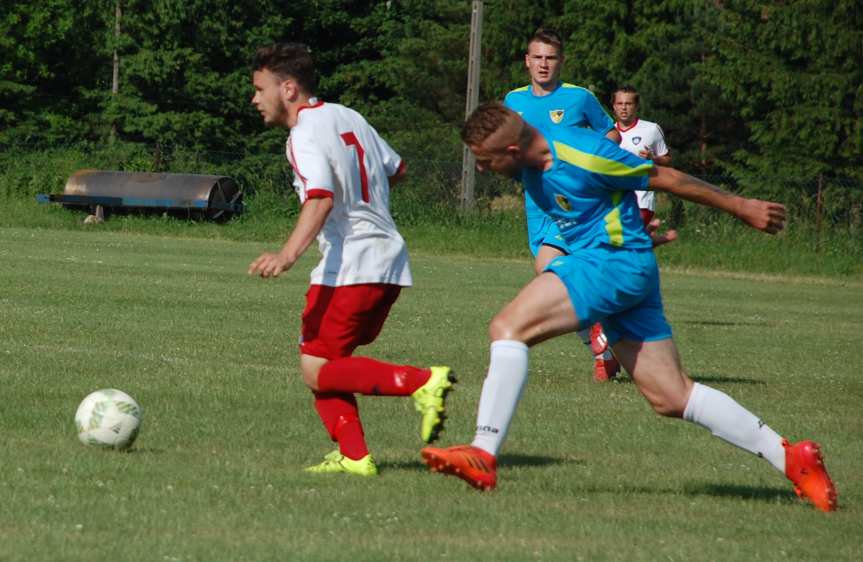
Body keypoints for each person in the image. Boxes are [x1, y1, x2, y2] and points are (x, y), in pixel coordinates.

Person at [420, 102, 837, 513]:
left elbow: (665, 177)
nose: (481, 169)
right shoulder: (532, 159)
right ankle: (791, 458)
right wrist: (634, 233)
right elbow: (601, 207)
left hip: (609, 264)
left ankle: (483, 452)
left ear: (512, 151)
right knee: (671, 396)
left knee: (508, 327)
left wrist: (741, 206)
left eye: (484, 161)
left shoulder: (583, 154)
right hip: (624, 263)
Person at [248, 42, 455, 477]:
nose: (255, 99)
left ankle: (420, 382)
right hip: (389, 260)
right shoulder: (348, 116)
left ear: (287, 88)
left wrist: (287, 255)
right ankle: (355, 456)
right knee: (321, 361)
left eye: (259, 88)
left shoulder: (302, 134)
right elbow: (397, 169)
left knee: (318, 366)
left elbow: (320, 198)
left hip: (351, 265)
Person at [503, 27, 622, 382]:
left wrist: (596, 164)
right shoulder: (513, 101)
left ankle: (603, 335)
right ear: (527, 62)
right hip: (535, 205)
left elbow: (611, 133)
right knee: (558, 276)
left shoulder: (579, 98)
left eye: (550, 58)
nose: (543, 64)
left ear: (561, 61)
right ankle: (603, 348)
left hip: (573, 203)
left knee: (548, 269)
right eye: (537, 57)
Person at [612, 85, 673, 226]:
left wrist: (654, 158)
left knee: (628, 241)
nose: (624, 108)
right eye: (620, 103)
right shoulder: (607, 132)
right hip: (613, 201)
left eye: (628, 104)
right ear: (614, 106)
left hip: (641, 201)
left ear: (636, 106)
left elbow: (668, 160)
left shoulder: (651, 129)